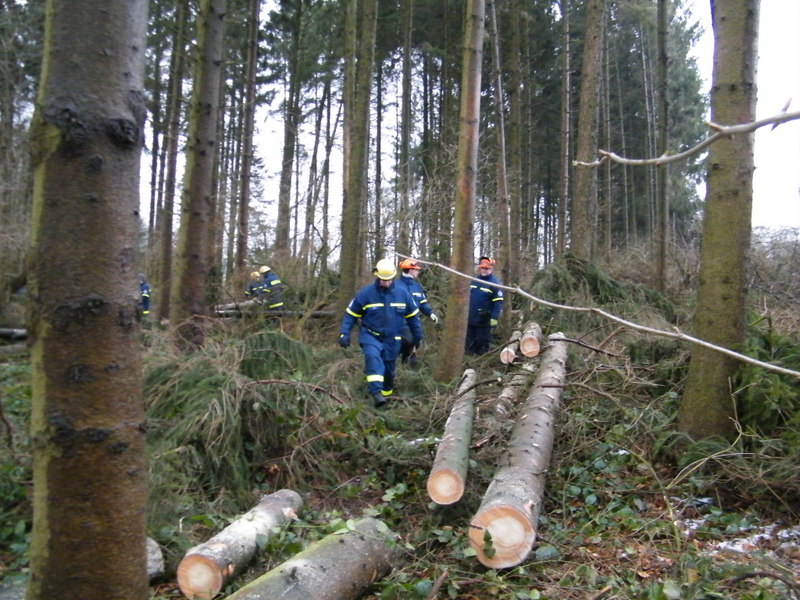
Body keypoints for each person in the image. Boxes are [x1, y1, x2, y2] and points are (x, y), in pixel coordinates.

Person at [339, 258, 423, 408]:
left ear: (393, 277)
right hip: (371, 335)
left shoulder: (402, 294)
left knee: (389, 371)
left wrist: (417, 337)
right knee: (373, 357)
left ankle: (385, 398)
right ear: (377, 276)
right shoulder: (365, 294)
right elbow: (351, 315)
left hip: (393, 338)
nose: (386, 283)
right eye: (383, 280)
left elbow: (413, 318)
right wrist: (344, 333)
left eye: (389, 280)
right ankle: (375, 392)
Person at [396, 258, 439, 366]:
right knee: (406, 342)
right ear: (410, 270)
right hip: (400, 323)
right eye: (416, 270)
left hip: (414, 322)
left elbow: (423, 303)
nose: (418, 272)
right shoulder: (396, 286)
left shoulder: (416, 286)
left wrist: (430, 313)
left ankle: (409, 367)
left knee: (415, 342)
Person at [466, 256, 504, 355]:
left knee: (482, 341)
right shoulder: (474, 280)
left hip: (484, 320)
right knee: (469, 341)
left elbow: (498, 302)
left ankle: (480, 360)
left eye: (486, 268)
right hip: (471, 317)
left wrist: (494, 317)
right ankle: (469, 359)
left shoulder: (495, 283)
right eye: (482, 268)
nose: (484, 270)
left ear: (491, 269)